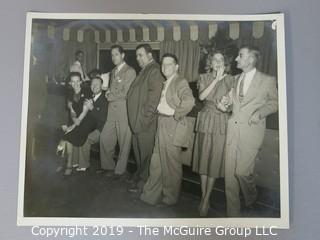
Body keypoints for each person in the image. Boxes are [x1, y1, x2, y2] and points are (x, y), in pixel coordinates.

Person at [217, 45, 278, 217]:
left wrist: (260, 113)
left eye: (240, 55)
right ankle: (233, 216)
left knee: (242, 172)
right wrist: (224, 104)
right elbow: (229, 103)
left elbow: (275, 102)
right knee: (230, 177)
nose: (236, 59)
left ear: (251, 59)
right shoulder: (235, 79)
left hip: (251, 132)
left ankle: (251, 198)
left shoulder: (267, 80)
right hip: (233, 131)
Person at [140, 53, 195, 206]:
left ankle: (170, 198)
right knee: (156, 161)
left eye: (169, 64)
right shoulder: (167, 82)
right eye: (163, 64)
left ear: (176, 67)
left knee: (171, 164)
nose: (165, 67)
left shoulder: (180, 81)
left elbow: (189, 101)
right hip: (161, 122)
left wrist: (176, 115)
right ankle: (150, 195)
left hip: (171, 124)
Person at [192, 51, 234, 216]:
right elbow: (202, 97)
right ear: (210, 62)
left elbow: (232, 105)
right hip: (206, 119)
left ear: (225, 63)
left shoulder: (231, 80)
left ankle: (206, 197)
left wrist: (227, 105)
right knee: (203, 159)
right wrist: (216, 79)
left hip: (221, 121)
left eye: (221, 59)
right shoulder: (204, 77)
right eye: (215, 59)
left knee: (214, 160)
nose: (218, 62)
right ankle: (205, 198)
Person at [126, 44, 165, 192]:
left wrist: (143, 119)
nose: (137, 58)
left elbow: (153, 100)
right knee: (140, 154)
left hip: (145, 123)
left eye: (140, 55)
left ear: (150, 55)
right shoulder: (144, 70)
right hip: (137, 122)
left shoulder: (154, 70)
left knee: (146, 155)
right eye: (136, 55)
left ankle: (144, 184)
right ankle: (140, 177)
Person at [98, 45, 136, 177]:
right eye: (112, 55)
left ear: (123, 55)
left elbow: (127, 93)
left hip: (123, 111)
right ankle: (108, 166)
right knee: (104, 137)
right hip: (111, 111)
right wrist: (108, 91)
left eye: (116, 54)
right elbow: (111, 88)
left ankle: (119, 171)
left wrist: (110, 95)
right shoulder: (113, 71)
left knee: (124, 142)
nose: (113, 57)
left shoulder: (130, 71)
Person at [59, 74, 108, 175]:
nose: (94, 86)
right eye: (92, 84)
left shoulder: (103, 98)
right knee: (71, 133)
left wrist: (75, 123)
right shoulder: (89, 95)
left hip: (98, 127)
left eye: (97, 84)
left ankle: (82, 164)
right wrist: (71, 122)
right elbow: (72, 110)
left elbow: (99, 117)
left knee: (79, 135)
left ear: (102, 86)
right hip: (85, 123)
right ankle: (73, 162)